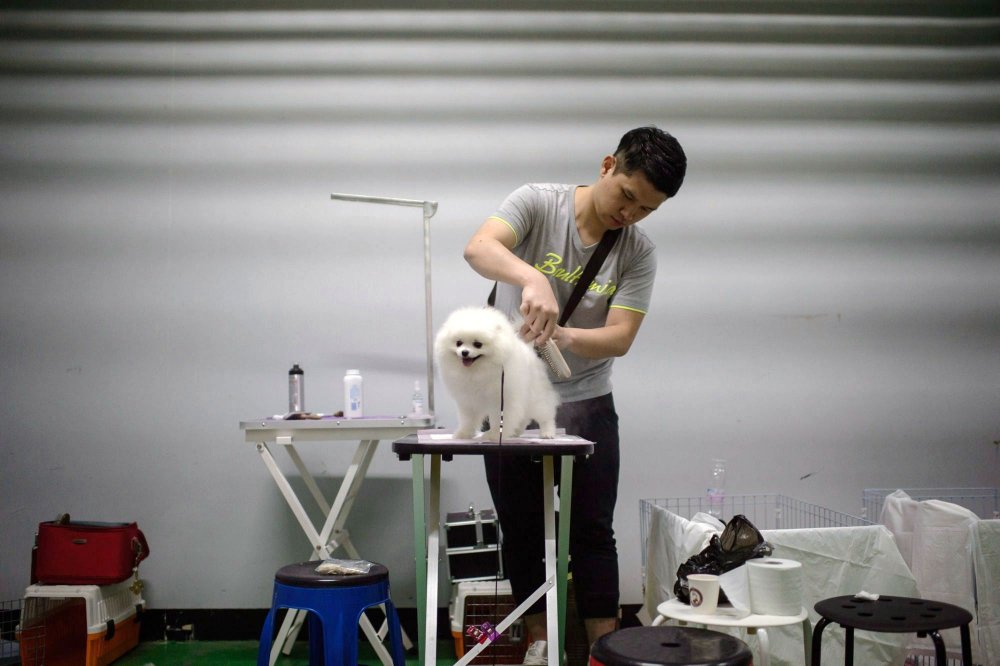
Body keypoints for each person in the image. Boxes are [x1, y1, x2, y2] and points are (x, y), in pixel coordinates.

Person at [463, 126, 687, 664]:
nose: (629, 214)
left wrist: (560, 335)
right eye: (627, 196)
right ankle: (541, 647)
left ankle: (603, 652)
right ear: (608, 165)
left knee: (591, 531)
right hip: (510, 400)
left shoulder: (637, 252)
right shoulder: (538, 204)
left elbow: (620, 338)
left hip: (588, 400)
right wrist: (532, 280)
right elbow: (479, 247)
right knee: (521, 530)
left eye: (645, 210)